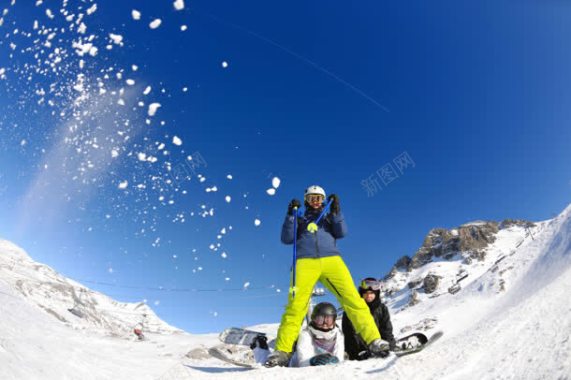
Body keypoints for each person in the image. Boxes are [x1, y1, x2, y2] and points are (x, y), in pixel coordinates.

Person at [265, 185, 390, 367]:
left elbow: (342, 232)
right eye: (311, 198)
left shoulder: (328, 218)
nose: (315, 201)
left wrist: (337, 212)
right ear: (306, 200)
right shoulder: (300, 219)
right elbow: (286, 238)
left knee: (353, 299)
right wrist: (290, 215)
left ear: (323, 200)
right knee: (295, 305)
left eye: (318, 198)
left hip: (332, 260)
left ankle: (374, 341)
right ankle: (282, 351)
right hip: (304, 262)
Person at [252, 302, 344, 367]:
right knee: (271, 366)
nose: (324, 324)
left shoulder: (338, 335)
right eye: (320, 320)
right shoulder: (307, 334)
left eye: (328, 320)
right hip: (296, 364)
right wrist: (312, 362)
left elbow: (339, 358)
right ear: (314, 319)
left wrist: (335, 362)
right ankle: (260, 346)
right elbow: (303, 361)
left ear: (334, 320)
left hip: (324, 366)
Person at [342, 277, 396, 360]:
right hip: (359, 352)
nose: (369, 295)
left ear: (376, 294)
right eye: (366, 293)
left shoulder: (382, 309)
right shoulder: (352, 310)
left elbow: (386, 330)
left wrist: (389, 347)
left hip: (378, 348)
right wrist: (355, 354)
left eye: (372, 293)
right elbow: (349, 335)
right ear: (361, 294)